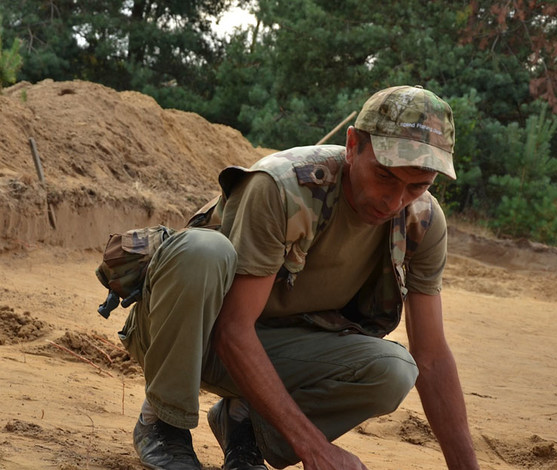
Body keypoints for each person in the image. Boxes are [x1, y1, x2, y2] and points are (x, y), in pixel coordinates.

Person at [117, 85, 479, 469]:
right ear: (353, 145)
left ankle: (246, 428)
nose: (395, 201)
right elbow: (232, 330)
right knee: (204, 251)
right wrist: (315, 449)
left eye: (418, 185)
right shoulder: (283, 188)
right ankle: (163, 421)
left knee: (393, 370)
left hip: (270, 352)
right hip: (185, 337)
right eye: (385, 176)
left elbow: (432, 357)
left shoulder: (422, 221)